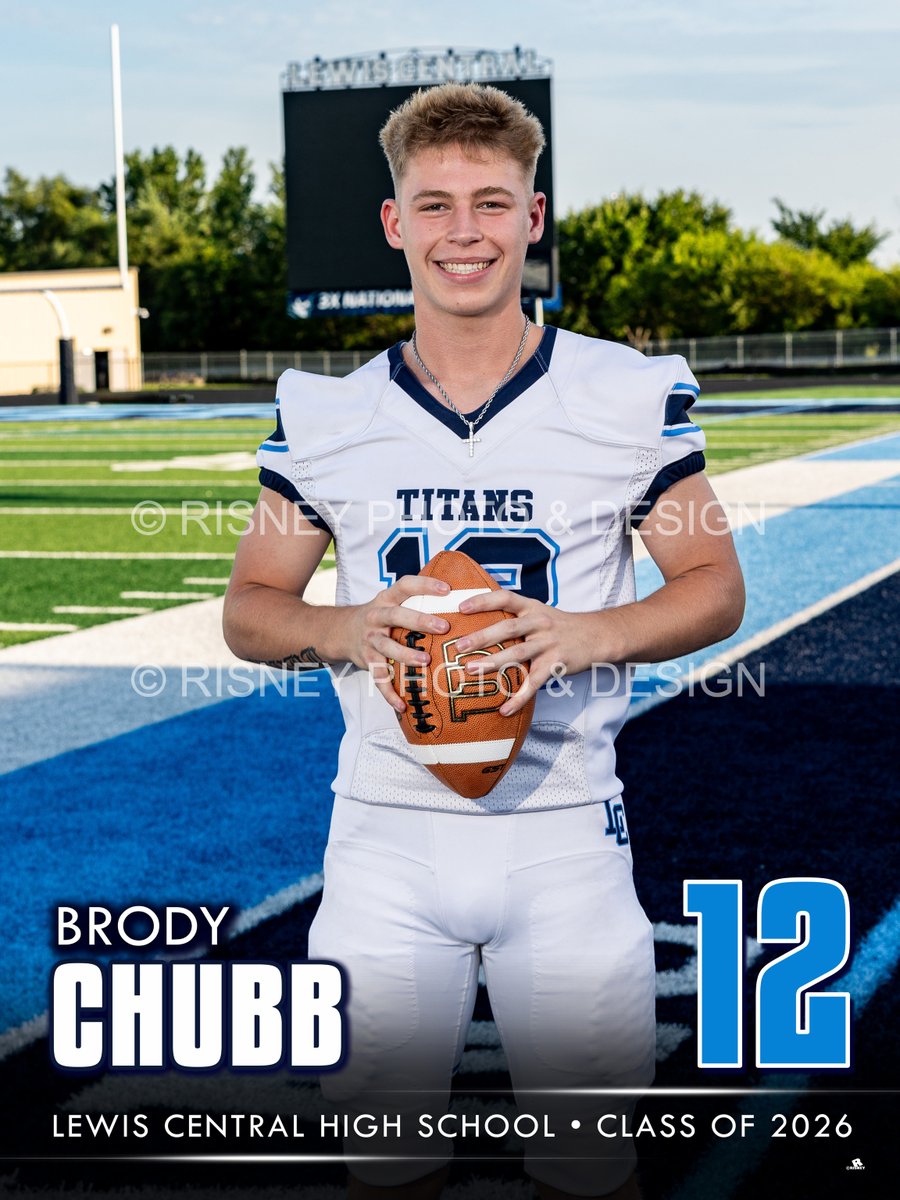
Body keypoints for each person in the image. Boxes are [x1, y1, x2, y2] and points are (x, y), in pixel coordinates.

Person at [223, 82, 744, 1200]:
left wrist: (583, 632)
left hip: (564, 838)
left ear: (534, 216)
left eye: (493, 203)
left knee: (591, 1174)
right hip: (382, 842)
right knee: (388, 1169)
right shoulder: (329, 414)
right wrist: (344, 628)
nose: (466, 231)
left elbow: (713, 586)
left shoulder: (623, 392)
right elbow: (252, 608)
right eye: (438, 203)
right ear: (394, 223)